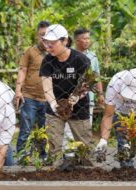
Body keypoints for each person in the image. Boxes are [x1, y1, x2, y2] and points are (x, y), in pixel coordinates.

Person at [39, 24, 93, 164]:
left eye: (52, 43)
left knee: (84, 146)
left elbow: (86, 84)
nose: (48, 46)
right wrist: (53, 105)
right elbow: (47, 87)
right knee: (54, 145)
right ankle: (55, 172)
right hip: (55, 106)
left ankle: (87, 174)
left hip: (79, 106)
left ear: (64, 41)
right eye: (46, 42)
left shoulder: (80, 59)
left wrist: (74, 99)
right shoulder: (47, 61)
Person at [95, 68, 136, 168]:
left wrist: (132, 135)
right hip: (121, 112)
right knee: (123, 144)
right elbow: (108, 115)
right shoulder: (116, 82)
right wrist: (103, 140)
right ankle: (127, 172)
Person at [14, 21, 50, 159]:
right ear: (37, 35)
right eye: (42, 35)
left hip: (47, 100)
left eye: (47, 35)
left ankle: (44, 157)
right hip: (29, 98)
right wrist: (18, 91)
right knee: (26, 129)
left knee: (44, 130)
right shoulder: (30, 51)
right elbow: (22, 70)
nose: (44, 38)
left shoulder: (54, 53)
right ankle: (22, 157)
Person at [74, 28, 104, 123]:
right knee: (69, 130)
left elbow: (96, 76)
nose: (87, 41)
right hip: (71, 98)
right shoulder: (69, 55)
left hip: (88, 98)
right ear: (77, 41)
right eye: (84, 39)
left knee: (87, 126)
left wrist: (100, 94)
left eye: (88, 38)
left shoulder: (93, 56)